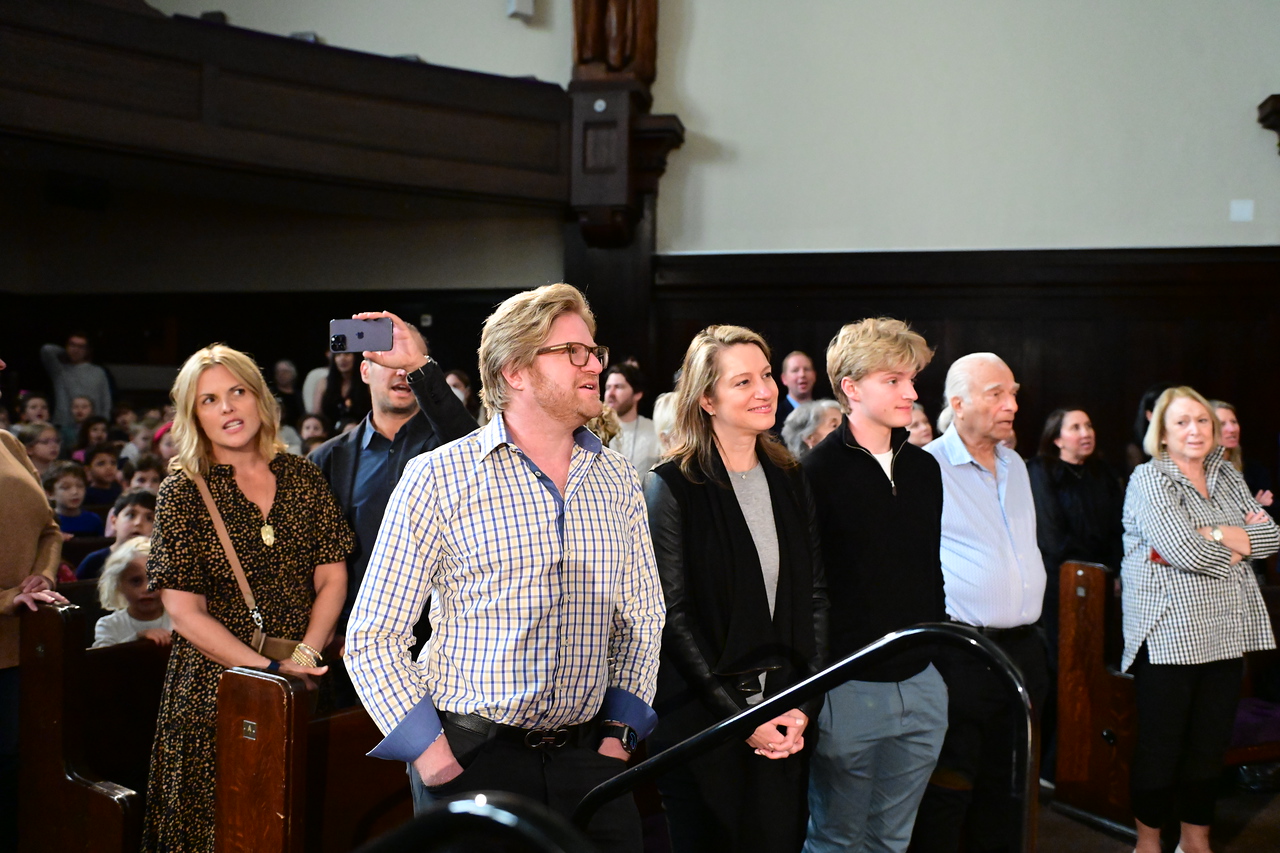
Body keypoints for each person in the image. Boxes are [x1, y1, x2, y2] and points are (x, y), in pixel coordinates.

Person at [345, 283, 664, 851]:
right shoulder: (439, 477)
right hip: (473, 758)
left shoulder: (617, 479)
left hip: (590, 761)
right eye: (572, 352)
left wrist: (617, 739)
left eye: (594, 352)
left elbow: (642, 616)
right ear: (515, 370)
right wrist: (435, 760)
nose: (592, 365)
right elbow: (373, 636)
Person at [142, 343, 353, 853]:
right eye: (209, 400)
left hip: (301, 672)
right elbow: (184, 613)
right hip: (216, 688)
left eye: (237, 392)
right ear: (194, 415)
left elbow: (332, 577)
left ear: (259, 398)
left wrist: (304, 654)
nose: (228, 408)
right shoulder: (183, 491)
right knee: (218, 828)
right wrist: (268, 671)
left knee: (292, 822)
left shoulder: (302, 475)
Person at [645, 324, 828, 853]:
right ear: (706, 398)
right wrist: (741, 716)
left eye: (766, 375)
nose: (766, 390)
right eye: (743, 381)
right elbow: (673, 616)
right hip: (703, 721)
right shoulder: (673, 484)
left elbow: (815, 595)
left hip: (786, 711)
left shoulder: (790, 474)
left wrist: (804, 704)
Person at [801, 318, 946, 853]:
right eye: (894, 380)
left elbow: (930, 571)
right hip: (848, 684)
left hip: (924, 680)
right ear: (851, 388)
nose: (911, 392)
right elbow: (808, 590)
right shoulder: (814, 473)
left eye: (912, 379)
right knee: (837, 838)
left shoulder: (925, 470)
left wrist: (937, 661)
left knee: (892, 838)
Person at [1122, 387, 1278, 853]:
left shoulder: (1227, 476)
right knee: (1162, 748)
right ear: (1163, 435)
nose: (1195, 430)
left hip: (1226, 630)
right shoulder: (1150, 479)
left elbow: (1270, 537)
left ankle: (1195, 841)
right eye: (1182, 422)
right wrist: (1235, 542)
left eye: (1203, 422)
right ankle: (1147, 844)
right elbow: (1182, 549)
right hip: (1171, 632)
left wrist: (1210, 533)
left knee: (1209, 747)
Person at [910, 353, 1049, 853]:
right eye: (996, 394)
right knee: (950, 786)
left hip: (1025, 650)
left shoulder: (1016, 464)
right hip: (964, 654)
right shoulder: (928, 466)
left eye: (1013, 393)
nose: (1011, 404)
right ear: (958, 403)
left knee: (1011, 785)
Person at [309, 311, 476, 641]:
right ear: (365, 370)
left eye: (409, 360)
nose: (400, 369)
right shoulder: (327, 459)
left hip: (444, 639)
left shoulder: (453, 446)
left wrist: (419, 367)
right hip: (355, 640)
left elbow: (474, 446)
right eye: (387, 357)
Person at [0, 354, 69, 839]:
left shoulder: (7, 443)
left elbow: (49, 529)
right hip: (8, 624)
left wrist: (42, 578)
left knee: (17, 776)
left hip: (25, 641)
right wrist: (3, 598)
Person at [1026, 409, 1124, 647]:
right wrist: (1088, 570)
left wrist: (1115, 570)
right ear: (1057, 440)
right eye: (1076, 428)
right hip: (1061, 578)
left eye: (1089, 426)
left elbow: (1118, 527)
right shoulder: (1041, 470)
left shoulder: (1103, 472)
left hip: (1104, 577)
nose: (1086, 433)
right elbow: (1050, 532)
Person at [92, 536, 172, 648]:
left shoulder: (180, 619)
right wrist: (137, 639)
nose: (147, 588)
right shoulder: (109, 625)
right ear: (119, 585)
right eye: (136, 581)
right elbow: (101, 661)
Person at [41, 334, 112, 438]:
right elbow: (46, 349)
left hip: (91, 428)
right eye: (72, 345)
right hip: (63, 426)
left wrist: (102, 424)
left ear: (87, 350)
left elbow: (105, 402)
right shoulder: (59, 370)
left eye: (81, 347)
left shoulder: (98, 372)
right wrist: (66, 353)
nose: (76, 350)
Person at [76, 489, 156, 580]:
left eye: (149, 518)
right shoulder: (94, 562)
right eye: (131, 515)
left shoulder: (161, 562)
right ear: (114, 522)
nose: (138, 522)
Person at [1210, 400, 1274, 510]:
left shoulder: (1254, 469)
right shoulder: (1198, 471)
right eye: (1222, 424)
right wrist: (1253, 507)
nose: (1232, 429)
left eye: (1234, 422)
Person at [603, 363, 661, 475]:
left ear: (637, 394)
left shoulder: (654, 431)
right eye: (608, 387)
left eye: (618, 387)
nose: (610, 393)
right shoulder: (595, 431)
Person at [43, 460, 105, 537]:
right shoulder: (47, 521)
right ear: (50, 494)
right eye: (66, 488)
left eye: (80, 486)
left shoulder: (93, 520)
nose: (75, 492)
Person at [319, 351, 372, 429]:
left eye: (347, 354)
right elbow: (318, 415)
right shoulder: (324, 383)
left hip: (362, 431)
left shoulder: (368, 383)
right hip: (331, 434)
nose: (342, 359)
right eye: (338, 355)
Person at [773, 350, 817, 431]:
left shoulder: (825, 414)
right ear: (784, 379)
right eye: (795, 370)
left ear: (814, 375)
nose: (802, 374)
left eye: (807, 369)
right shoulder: (774, 417)